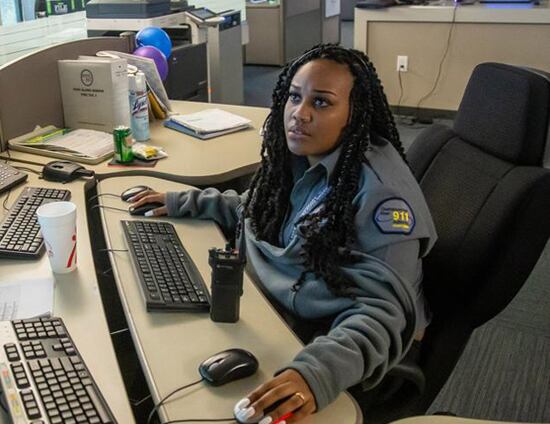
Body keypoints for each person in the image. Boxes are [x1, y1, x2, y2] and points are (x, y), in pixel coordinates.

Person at [129, 44, 437, 423]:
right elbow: (258, 209)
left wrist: (314, 374)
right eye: (294, 97)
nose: (299, 114)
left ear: (354, 113)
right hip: (275, 311)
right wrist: (189, 201)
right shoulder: (305, 154)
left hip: (328, 343)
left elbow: (382, 313)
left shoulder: (381, 197)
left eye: (321, 103)